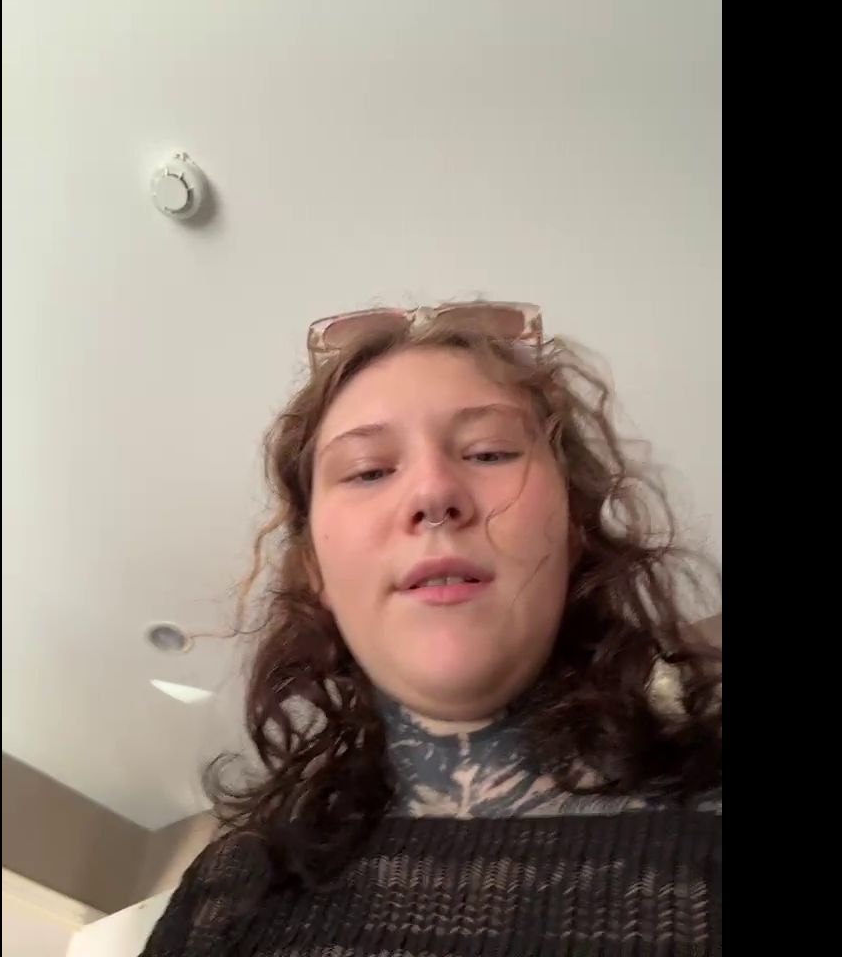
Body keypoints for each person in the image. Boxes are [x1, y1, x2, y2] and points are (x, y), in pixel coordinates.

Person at [142, 301, 722, 956]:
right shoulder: (226, 895)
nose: (433, 493)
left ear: (573, 530)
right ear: (316, 572)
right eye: (368, 470)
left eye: (489, 452)